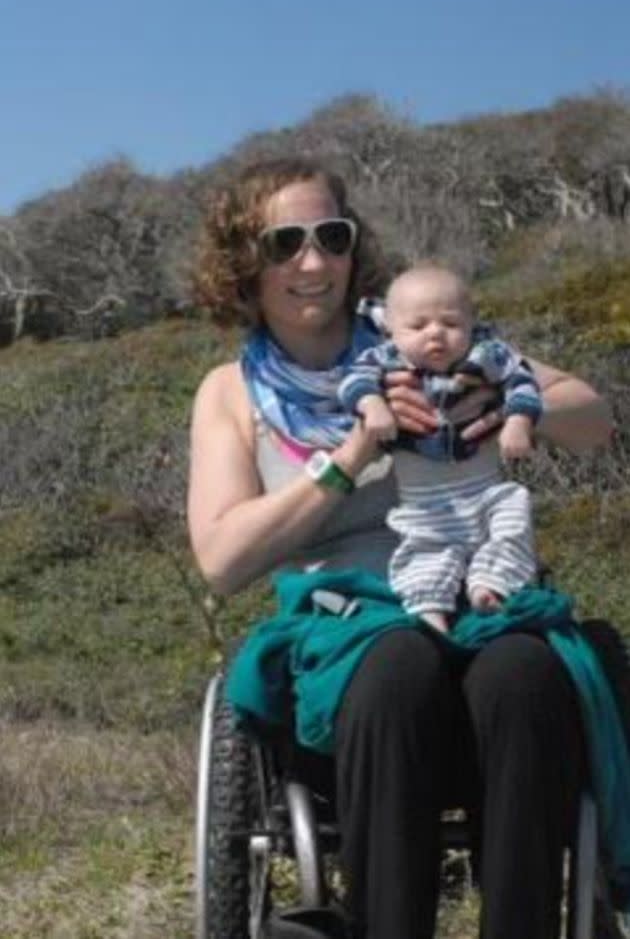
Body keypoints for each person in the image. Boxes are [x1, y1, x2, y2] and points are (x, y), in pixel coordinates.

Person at [187, 156, 613, 939]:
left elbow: (595, 418)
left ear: (354, 249)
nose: (312, 262)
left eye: (331, 236)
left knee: (526, 676)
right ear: (245, 261)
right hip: (350, 619)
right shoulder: (231, 392)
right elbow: (221, 557)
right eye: (285, 242)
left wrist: (504, 402)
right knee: (395, 668)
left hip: (479, 591)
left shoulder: (421, 332)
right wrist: (350, 456)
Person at [338, 263, 541, 632]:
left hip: (485, 492)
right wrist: (373, 406)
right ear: (390, 330)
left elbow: (523, 381)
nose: (436, 334)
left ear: (471, 322)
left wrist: (517, 420)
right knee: (423, 552)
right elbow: (352, 383)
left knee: (513, 518)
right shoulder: (384, 360)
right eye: (418, 326)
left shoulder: (487, 354)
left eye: (450, 323)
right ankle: (429, 610)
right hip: (425, 502)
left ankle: (490, 586)